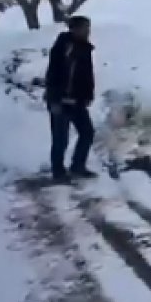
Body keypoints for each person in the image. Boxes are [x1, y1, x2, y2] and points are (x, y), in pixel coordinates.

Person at [44, 15, 98, 181]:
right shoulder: (63, 47)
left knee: (87, 132)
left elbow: (87, 75)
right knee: (61, 138)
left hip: (78, 101)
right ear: (73, 29)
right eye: (83, 28)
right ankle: (58, 172)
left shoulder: (85, 48)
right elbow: (53, 74)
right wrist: (54, 99)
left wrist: (88, 94)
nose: (87, 31)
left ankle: (77, 166)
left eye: (88, 28)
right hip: (60, 100)